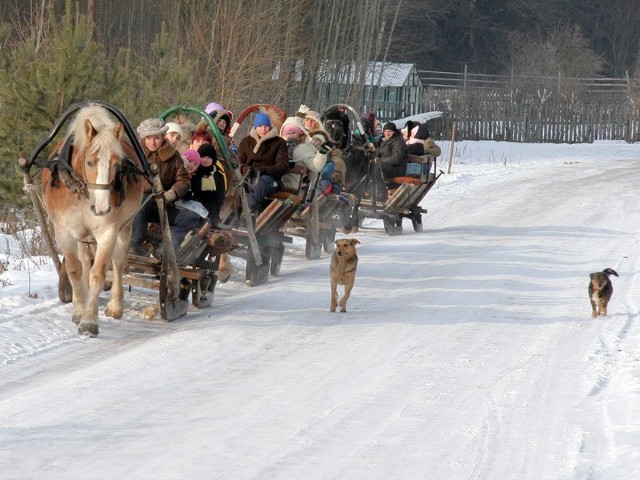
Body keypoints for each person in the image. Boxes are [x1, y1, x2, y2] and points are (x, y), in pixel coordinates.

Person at [129, 118, 203, 255]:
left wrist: (173, 193)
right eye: (148, 138)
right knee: (142, 204)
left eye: (156, 138)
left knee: (191, 217)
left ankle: (167, 247)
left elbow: (183, 180)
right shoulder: (134, 155)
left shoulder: (173, 156)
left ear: (163, 137)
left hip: (162, 203)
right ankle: (134, 243)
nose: (152, 142)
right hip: (137, 205)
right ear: (142, 138)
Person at [237, 112, 289, 211]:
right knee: (237, 184)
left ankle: (245, 212)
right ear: (255, 127)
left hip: (272, 181)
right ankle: (229, 214)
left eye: (266, 126)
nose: (263, 129)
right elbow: (238, 161)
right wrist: (244, 168)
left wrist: (266, 170)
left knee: (262, 182)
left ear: (270, 127)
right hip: (249, 177)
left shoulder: (279, 143)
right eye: (260, 126)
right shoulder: (246, 142)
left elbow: (283, 165)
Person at [279, 116, 327, 195]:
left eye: (293, 133)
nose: (290, 136)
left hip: (292, 183)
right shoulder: (282, 145)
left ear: (300, 133)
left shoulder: (304, 148)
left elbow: (315, 166)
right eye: (288, 133)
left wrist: (322, 153)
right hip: (280, 179)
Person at [190, 143, 226, 227]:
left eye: (209, 157)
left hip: (213, 210)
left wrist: (215, 209)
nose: (206, 160)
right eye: (203, 157)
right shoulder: (193, 174)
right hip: (196, 210)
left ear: (213, 159)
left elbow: (220, 195)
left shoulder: (218, 175)